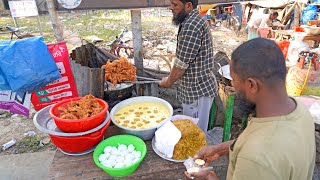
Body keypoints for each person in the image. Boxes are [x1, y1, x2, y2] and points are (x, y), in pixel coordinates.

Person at [185, 38, 316, 180]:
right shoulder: (300, 111)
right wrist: (219, 149)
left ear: (252, 85)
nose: (233, 86)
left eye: (234, 80)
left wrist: (211, 178)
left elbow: (258, 152)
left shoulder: (256, 159)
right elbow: (255, 139)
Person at [159, 0, 217, 132]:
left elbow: (180, 65)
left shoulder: (191, 25)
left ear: (188, 6)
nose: (171, 8)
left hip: (197, 91)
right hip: (195, 88)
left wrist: (168, 81)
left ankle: (198, 153)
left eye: (175, 4)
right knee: (190, 132)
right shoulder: (192, 20)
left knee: (195, 134)